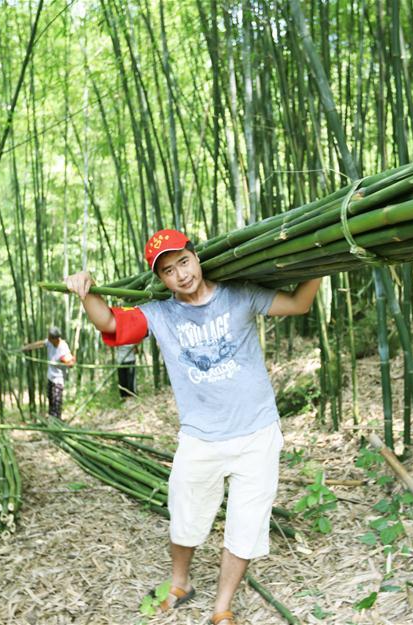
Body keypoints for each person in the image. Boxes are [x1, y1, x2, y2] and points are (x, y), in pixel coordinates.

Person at [65, 229, 320, 625]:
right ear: (161, 278)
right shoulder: (160, 313)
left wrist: (322, 260)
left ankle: (222, 608)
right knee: (185, 518)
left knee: (246, 525)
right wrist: (86, 293)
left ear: (195, 256)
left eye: (183, 261)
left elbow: (299, 304)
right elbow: (111, 324)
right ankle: (180, 583)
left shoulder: (239, 294)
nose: (181, 275)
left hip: (257, 433)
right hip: (200, 438)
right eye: (168, 271)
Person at [21, 327, 75, 419]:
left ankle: (56, 423)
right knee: (50, 400)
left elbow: (71, 363)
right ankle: (51, 421)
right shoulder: (50, 342)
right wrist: (27, 347)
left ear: (56, 338)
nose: (48, 340)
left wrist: (68, 361)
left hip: (58, 379)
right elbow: (40, 343)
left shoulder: (63, 347)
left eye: (50, 338)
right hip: (50, 377)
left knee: (56, 403)